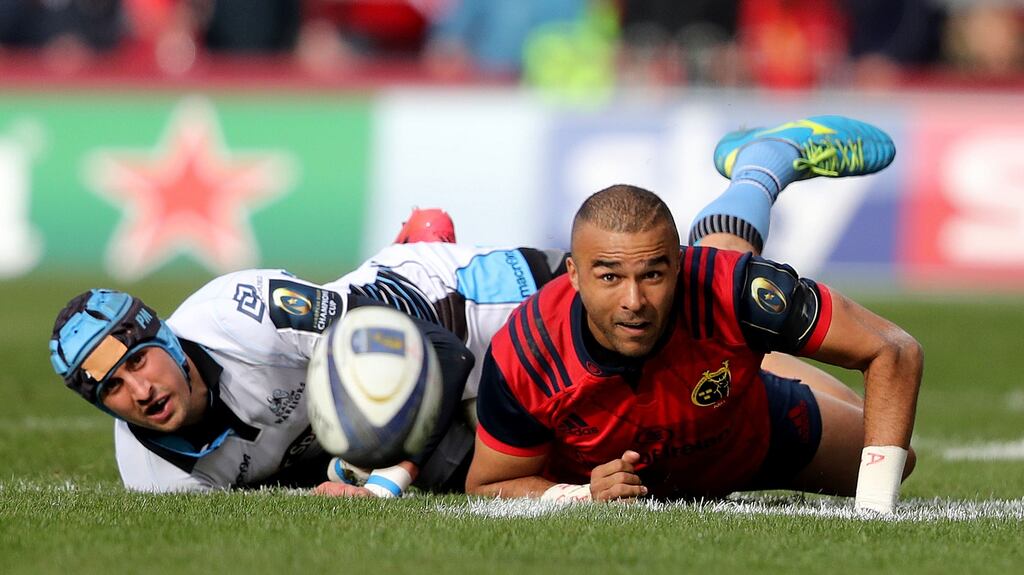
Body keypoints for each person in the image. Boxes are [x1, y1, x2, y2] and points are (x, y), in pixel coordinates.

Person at [49, 114, 899, 502]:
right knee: (534, 461)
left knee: (671, 299)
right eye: (111, 390)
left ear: (160, 331)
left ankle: (765, 163)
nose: (139, 389)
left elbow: (395, 340)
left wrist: (380, 473)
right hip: (416, 410)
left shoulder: (239, 312)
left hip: (455, 309)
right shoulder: (154, 477)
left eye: (136, 360)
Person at [466, 117, 921, 516]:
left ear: (679, 264)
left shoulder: (731, 287)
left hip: (749, 435)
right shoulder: (526, 352)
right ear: (573, 274)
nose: (633, 300)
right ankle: (759, 167)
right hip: (707, 373)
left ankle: (763, 166)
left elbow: (893, 349)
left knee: (897, 459)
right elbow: (488, 486)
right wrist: (581, 496)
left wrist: (876, 511)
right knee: (722, 301)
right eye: (608, 277)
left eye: (654, 274)